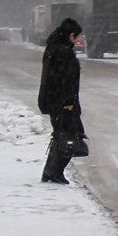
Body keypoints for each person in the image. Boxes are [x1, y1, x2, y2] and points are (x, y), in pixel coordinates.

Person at [37, 17, 84, 184]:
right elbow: (65, 79)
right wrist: (68, 101)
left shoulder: (53, 48)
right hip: (63, 102)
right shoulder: (63, 52)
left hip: (54, 100)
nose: (77, 40)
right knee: (70, 137)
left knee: (61, 136)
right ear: (71, 35)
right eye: (76, 36)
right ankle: (54, 172)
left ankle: (51, 171)